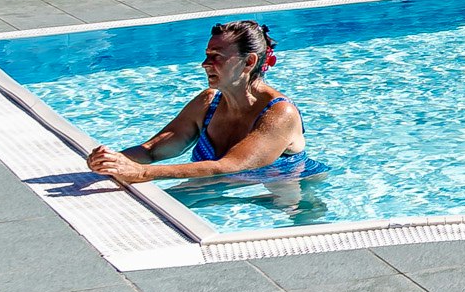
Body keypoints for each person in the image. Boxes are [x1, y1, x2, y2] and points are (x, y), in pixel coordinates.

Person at [87, 20, 318, 204]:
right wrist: (114, 160)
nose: (204, 64)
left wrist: (143, 174)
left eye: (216, 56)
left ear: (249, 62)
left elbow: (231, 167)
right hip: (217, 188)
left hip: (285, 197)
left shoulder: (280, 113)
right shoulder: (208, 103)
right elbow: (152, 150)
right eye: (207, 55)